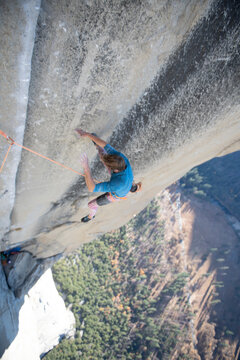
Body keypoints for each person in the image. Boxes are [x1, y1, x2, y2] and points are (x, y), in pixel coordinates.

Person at [75, 129, 141, 222]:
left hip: (115, 195)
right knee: (103, 153)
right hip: (125, 181)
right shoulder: (121, 158)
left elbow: (92, 188)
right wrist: (88, 135)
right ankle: (97, 146)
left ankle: (91, 216)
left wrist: (86, 167)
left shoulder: (116, 185)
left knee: (91, 205)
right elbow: (105, 145)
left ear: (114, 170)